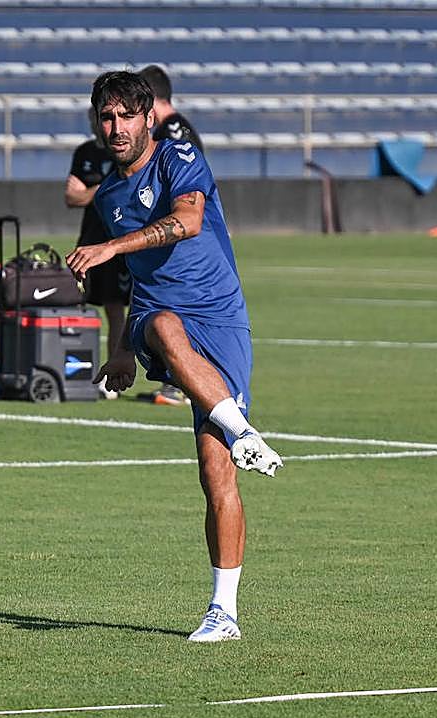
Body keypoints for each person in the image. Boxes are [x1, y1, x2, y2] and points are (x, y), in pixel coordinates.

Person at [66, 71, 283, 643]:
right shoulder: (109, 197)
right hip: (161, 320)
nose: (115, 128)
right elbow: (141, 283)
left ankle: (224, 613)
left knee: (216, 472)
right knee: (161, 323)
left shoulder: (179, 157)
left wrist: (111, 246)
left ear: (147, 118)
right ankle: (243, 431)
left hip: (220, 318)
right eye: (106, 117)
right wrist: (121, 350)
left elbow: (188, 221)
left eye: (125, 116)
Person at [138, 64, 203, 408]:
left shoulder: (173, 133)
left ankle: (182, 383)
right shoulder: (174, 128)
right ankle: (178, 380)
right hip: (177, 235)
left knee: (176, 310)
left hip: (182, 239)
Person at [65, 108, 132, 396]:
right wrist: (105, 186)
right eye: (97, 118)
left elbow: (125, 189)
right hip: (88, 240)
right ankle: (74, 370)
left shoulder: (123, 152)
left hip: (117, 243)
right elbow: (71, 197)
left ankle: (114, 378)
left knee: (118, 309)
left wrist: (90, 191)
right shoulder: (84, 152)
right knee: (76, 303)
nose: (99, 124)